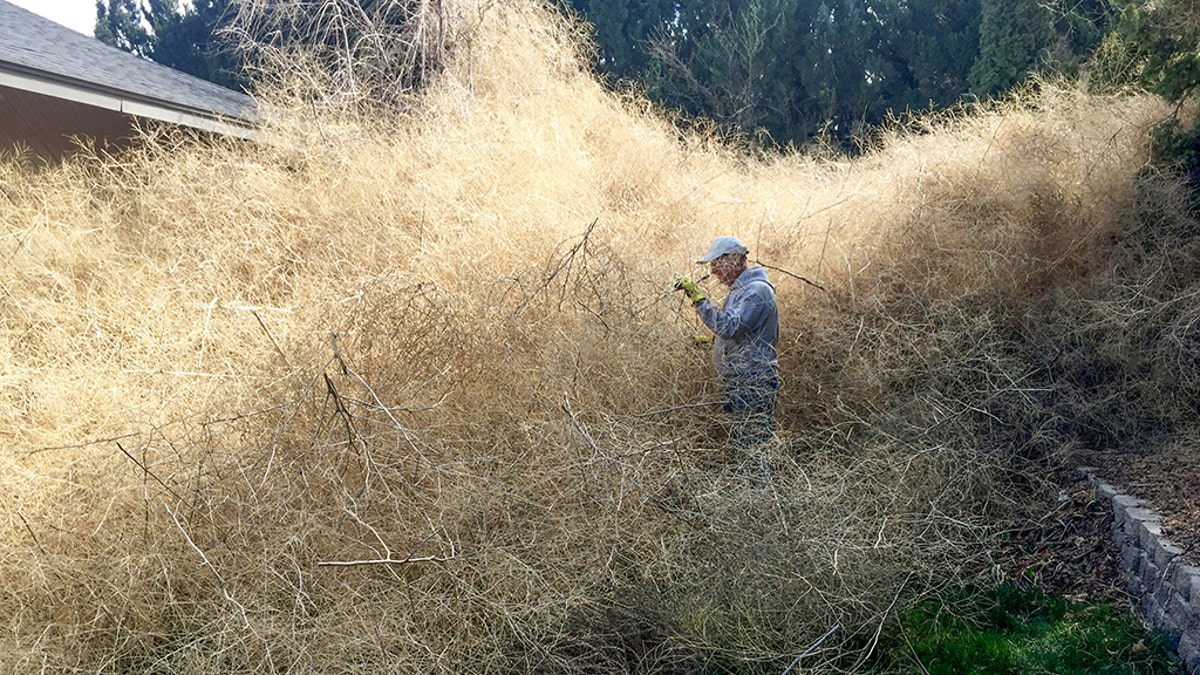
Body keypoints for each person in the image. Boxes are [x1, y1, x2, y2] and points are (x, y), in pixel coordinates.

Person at [675, 236, 779, 481]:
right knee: (745, 447)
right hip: (740, 383)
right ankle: (753, 498)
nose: (713, 270)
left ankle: (761, 502)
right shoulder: (742, 291)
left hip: (752, 383)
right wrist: (714, 344)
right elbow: (743, 335)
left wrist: (698, 299)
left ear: (735, 258)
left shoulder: (757, 291)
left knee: (753, 448)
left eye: (716, 262)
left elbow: (731, 326)